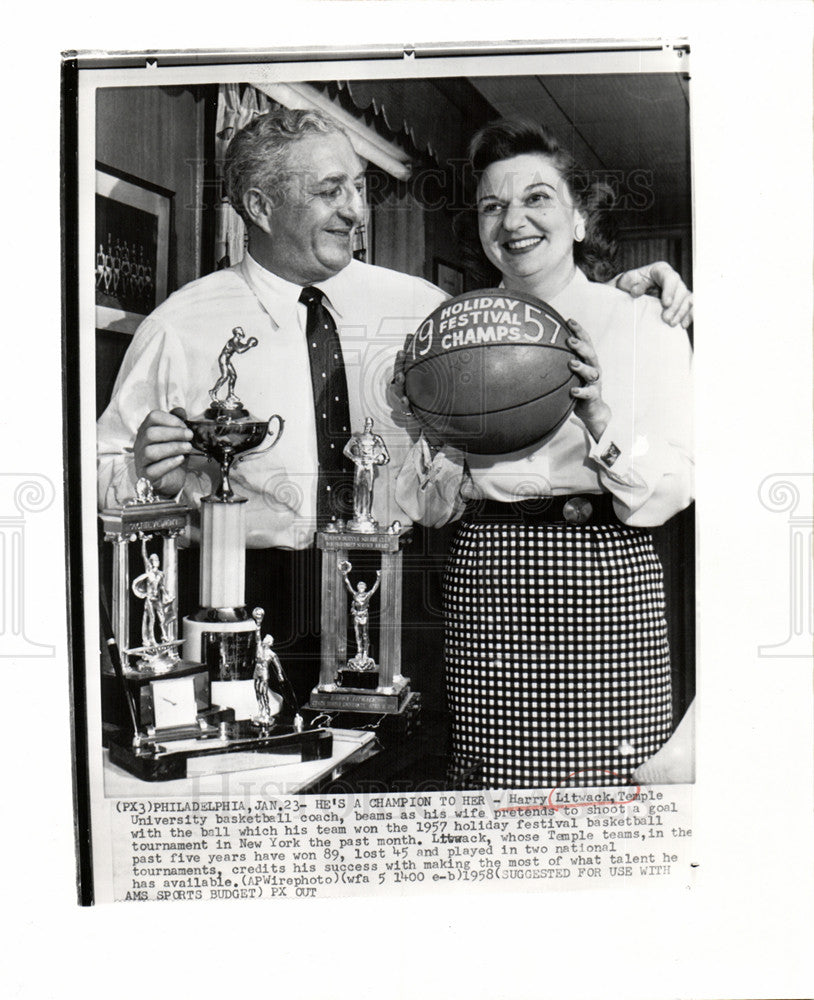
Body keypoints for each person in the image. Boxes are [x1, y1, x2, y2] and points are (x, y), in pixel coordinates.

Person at [97, 107, 693, 704]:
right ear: (259, 206)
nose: (356, 210)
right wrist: (154, 481)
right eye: (330, 192)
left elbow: (525, 330)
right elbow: (102, 473)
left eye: (358, 187)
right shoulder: (181, 325)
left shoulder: (422, 307)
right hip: (249, 594)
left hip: (401, 590)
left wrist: (625, 295)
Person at [395, 118, 694, 790]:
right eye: (493, 206)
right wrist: (426, 425)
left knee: (611, 800)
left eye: (537, 199)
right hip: (488, 577)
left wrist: (600, 421)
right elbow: (429, 509)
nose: (514, 221)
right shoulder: (453, 332)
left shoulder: (644, 319)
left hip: (606, 577)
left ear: (580, 219)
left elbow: (672, 489)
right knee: (491, 798)